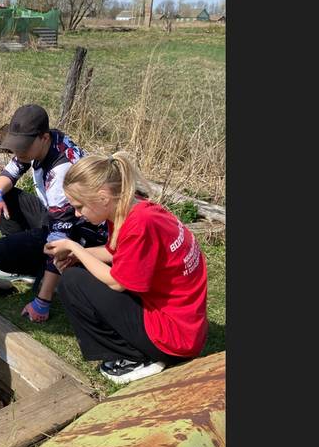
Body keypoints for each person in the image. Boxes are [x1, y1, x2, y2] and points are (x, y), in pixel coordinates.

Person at [42, 152, 208, 385]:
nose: (78, 214)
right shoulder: (137, 209)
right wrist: (75, 255)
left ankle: (136, 356)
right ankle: (140, 350)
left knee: (72, 282)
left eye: (79, 207)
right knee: (78, 271)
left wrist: (74, 248)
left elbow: (116, 282)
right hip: (186, 325)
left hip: (172, 339)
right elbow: (115, 252)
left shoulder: (139, 225)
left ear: (102, 197)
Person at [0, 104, 107, 324]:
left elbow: (62, 234)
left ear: (43, 137)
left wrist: (43, 300)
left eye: (23, 147)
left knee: (0, 253)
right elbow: (13, 170)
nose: (19, 152)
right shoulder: (46, 142)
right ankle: (34, 263)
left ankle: (48, 274)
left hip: (79, 231)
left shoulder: (61, 172)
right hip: (52, 212)